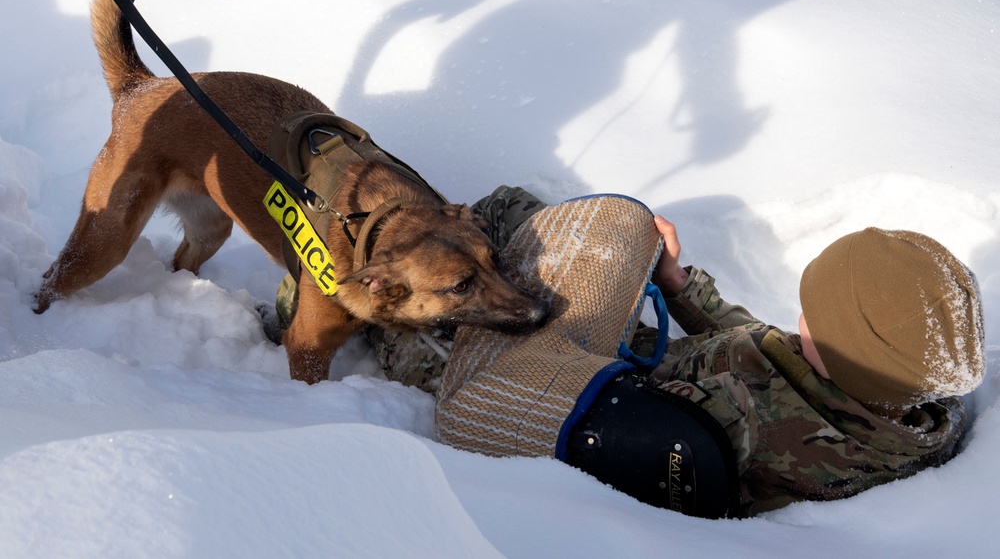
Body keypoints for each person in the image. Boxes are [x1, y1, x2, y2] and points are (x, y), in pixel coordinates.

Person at [360, 187, 987, 517]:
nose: (800, 322)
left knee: (421, 337)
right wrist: (681, 287)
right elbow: (770, 347)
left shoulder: (742, 425)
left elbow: (630, 442)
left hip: (579, 389)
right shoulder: (901, 399)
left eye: (815, 313)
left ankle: (310, 304)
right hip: (633, 361)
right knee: (516, 213)